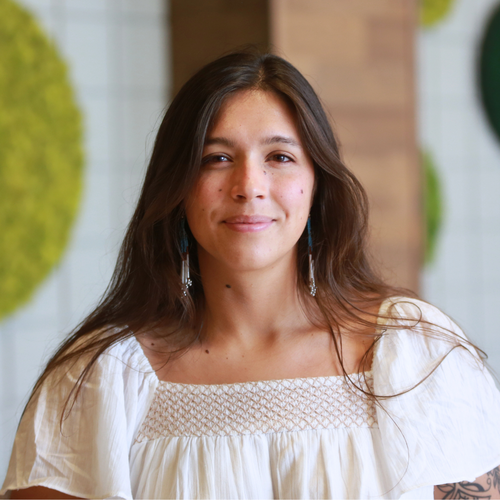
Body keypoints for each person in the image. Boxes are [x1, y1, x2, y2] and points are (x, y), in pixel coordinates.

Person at [2, 51, 500, 500]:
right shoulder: (100, 378)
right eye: (217, 158)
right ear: (178, 185)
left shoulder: (415, 352)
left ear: (316, 184)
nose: (249, 186)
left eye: (279, 157)